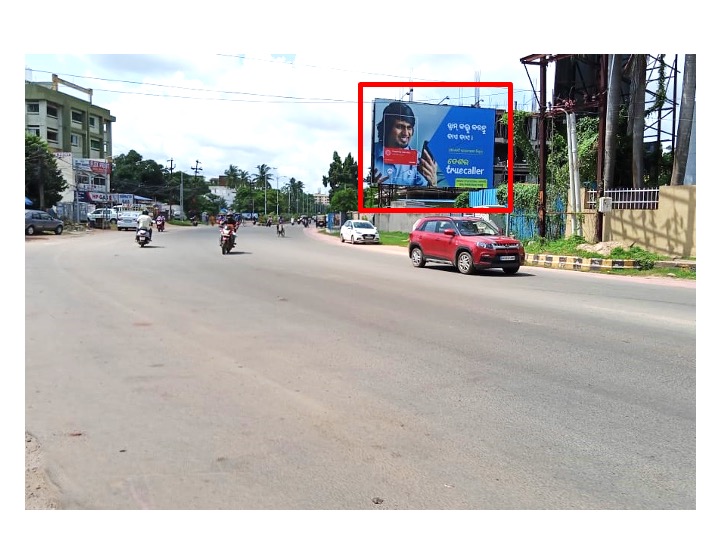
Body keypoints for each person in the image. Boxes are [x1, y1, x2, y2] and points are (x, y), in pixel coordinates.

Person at [373, 101, 439, 187]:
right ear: (387, 127)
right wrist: (374, 185)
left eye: (409, 128)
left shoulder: (418, 160)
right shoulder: (372, 153)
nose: (406, 133)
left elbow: (424, 193)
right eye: (400, 127)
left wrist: (433, 183)